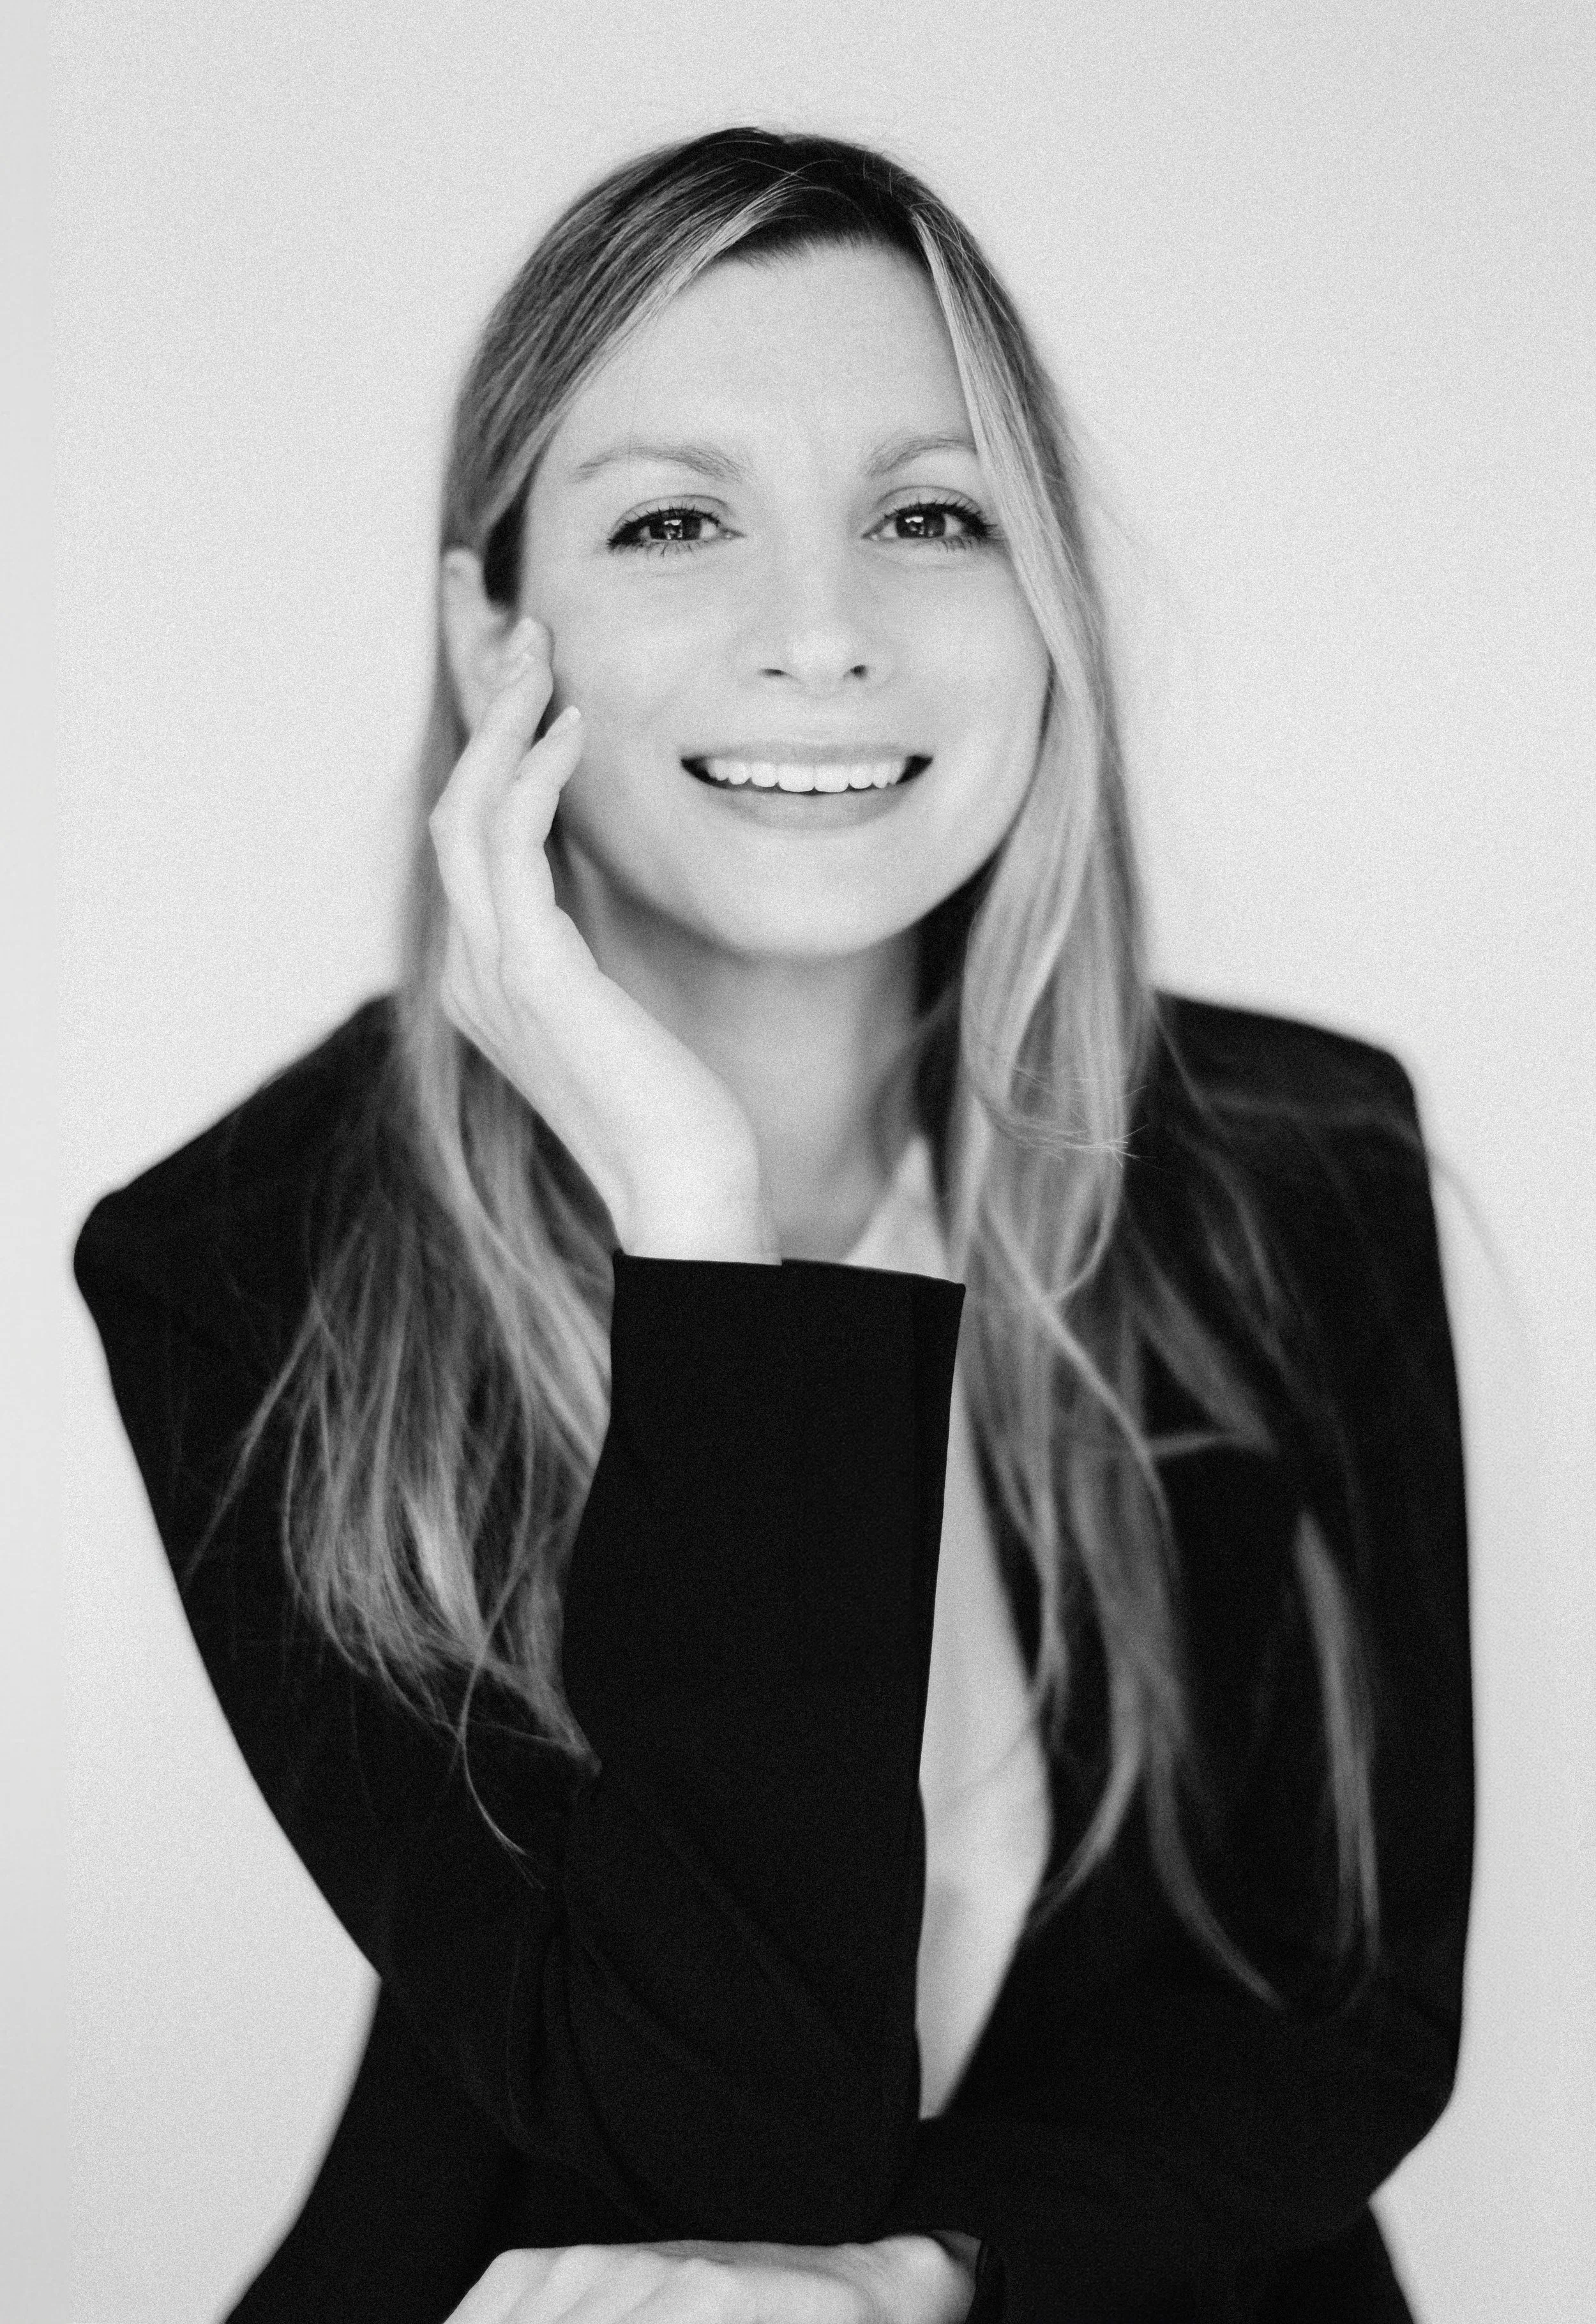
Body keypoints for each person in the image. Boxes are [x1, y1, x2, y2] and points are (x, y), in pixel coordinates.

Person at [73, 126, 1473, 2324]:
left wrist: (931, 2279)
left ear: (1047, 606)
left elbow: (1340, 2025)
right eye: (672, 521)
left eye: (928, 515)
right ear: (492, 626)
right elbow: (708, 2137)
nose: (818, 636)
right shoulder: (253, 1256)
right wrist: (700, 1238)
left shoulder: (1294, 1162)